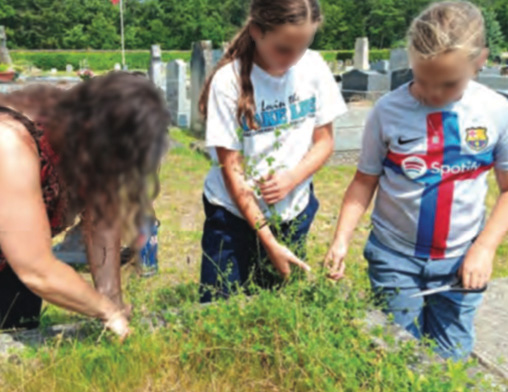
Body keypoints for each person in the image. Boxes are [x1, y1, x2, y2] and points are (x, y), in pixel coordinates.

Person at [325, 1, 508, 360]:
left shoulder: (496, 112)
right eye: (422, 79)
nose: (433, 93)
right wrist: (341, 240)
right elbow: (364, 181)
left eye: (448, 83)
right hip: (394, 257)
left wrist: (484, 249)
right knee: (397, 355)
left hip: (460, 261)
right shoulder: (387, 111)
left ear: (480, 60)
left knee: (450, 359)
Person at [0, 72, 170, 338]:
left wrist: (112, 299)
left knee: (19, 339)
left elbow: (101, 221)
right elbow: (35, 269)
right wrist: (105, 311)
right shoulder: (10, 142)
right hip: (22, 260)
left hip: (11, 263)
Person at [198, 0, 347, 303]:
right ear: (256, 31)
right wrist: (267, 239)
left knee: (278, 310)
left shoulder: (314, 67)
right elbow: (232, 170)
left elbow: (324, 142)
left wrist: (292, 179)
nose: (293, 59)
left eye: (303, 47)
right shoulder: (228, 83)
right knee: (222, 309)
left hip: (292, 213)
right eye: (283, 49)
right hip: (233, 218)